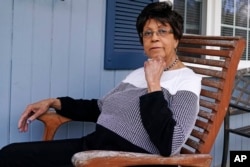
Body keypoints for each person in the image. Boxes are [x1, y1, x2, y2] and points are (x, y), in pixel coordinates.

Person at [0, 1, 201, 167]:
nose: (154, 37)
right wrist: (55, 102)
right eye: (147, 33)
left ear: (176, 39)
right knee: (9, 154)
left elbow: (170, 143)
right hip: (93, 148)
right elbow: (100, 107)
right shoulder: (139, 73)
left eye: (162, 31)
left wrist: (154, 86)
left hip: (117, 161)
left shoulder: (186, 80)